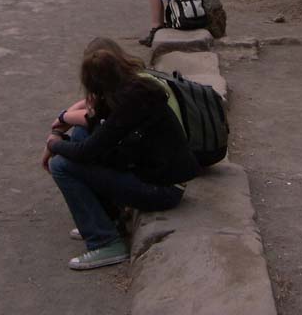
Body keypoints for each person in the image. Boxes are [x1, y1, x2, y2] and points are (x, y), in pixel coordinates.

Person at [42, 38, 199, 270]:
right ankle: (110, 219)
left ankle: (106, 242)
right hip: (154, 174)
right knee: (80, 135)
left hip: (163, 190)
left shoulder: (130, 101)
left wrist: (54, 144)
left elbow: (89, 152)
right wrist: (62, 132)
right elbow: (94, 131)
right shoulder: (132, 87)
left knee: (61, 166)